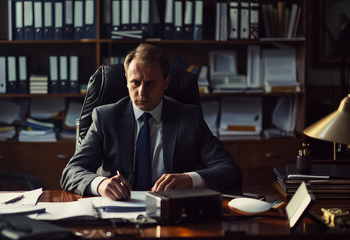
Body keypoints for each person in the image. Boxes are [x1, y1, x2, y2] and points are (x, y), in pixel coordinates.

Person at [61, 43, 242, 200]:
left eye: (150, 83)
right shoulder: (105, 118)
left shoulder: (188, 118)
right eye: (135, 82)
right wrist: (100, 184)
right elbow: (71, 172)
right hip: (119, 211)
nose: (141, 92)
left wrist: (189, 179)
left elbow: (230, 171)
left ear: (166, 82)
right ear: (126, 81)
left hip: (171, 212)